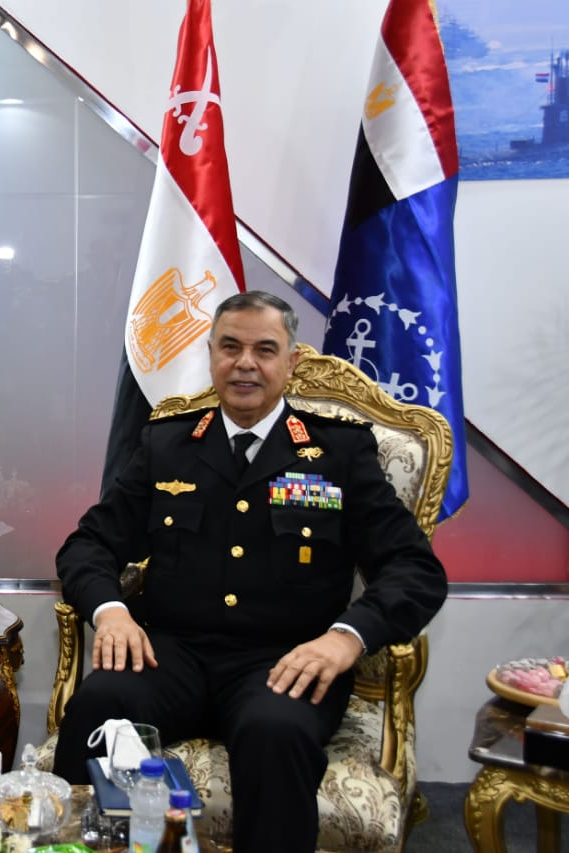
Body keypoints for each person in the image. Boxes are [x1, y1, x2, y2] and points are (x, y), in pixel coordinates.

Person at [52, 291, 447, 851]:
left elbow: (414, 568)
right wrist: (111, 611)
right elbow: (88, 544)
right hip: (171, 657)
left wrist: (346, 638)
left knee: (274, 732)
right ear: (211, 354)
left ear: (291, 362)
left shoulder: (339, 452)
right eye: (230, 347)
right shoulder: (168, 444)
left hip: (284, 662)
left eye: (265, 349)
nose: (245, 363)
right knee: (98, 703)